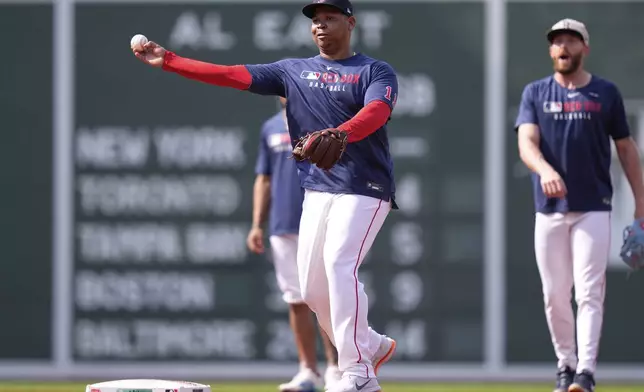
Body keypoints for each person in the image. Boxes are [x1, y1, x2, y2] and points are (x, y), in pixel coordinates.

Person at [132, 0, 398, 391]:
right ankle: (371, 343)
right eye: (316, 21)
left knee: (340, 264)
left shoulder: (374, 70)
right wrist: (169, 60)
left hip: (365, 187)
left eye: (330, 18)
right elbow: (228, 74)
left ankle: (357, 373)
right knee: (310, 288)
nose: (321, 26)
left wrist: (342, 132)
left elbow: (377, 110)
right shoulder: (293, 71)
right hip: (319, 189)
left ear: (351, 23)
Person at [514, 18, 644, 392]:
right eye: (558, 42)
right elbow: (526, 143)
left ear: (584, 48)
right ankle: (565, 365)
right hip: (550, 207)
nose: (564, 47)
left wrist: (640, 204)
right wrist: (543, 170)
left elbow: (626, 149)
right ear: (551, 50)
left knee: (589, 290)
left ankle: (585, 373)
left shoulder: (605, 93)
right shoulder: (536, 93)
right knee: (555, 295)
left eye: (571, 41)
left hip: (593, 205)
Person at [247, 96, 342, 391]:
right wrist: (256, 224)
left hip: (320, 220)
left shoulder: (325, 122)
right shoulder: (270, 127)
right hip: (283, 225)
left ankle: (336, 370)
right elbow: (263, 179)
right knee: (296, 300)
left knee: (325, 300)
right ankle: (308, 372)